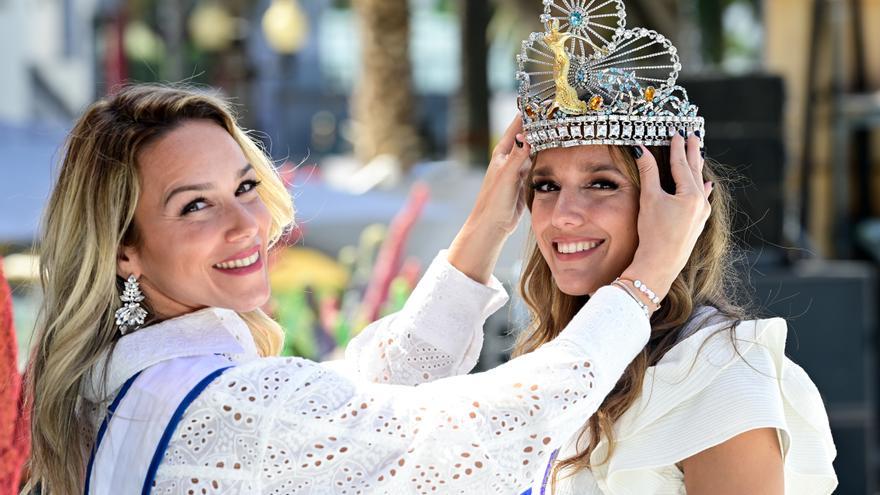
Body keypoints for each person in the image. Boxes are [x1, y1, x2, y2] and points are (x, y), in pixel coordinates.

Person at [24, 83, 710, 494]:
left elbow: (356, 398)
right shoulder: (222, 401)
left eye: (243, 188)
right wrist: (647, 276)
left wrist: (478, 238)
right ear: (125, 249)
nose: (246, 223)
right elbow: (477, 429)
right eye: (194, 206)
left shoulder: (127, 387)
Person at [394, 2, 838, 494]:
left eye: (602, 184)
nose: (563, 214)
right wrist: (485, 225)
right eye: (544, 186)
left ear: (670, 201)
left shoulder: (716, 370)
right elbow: (395, 426)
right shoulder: (554, 360)